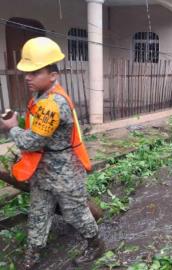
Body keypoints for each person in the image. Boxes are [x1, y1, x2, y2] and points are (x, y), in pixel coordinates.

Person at [0, 37, 104, 269]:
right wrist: (16, 121)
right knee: (38, 214)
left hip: (65, 172)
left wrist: (12, 128)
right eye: (27, 72)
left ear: (53, 75)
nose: (27, 77)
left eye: (35, 72)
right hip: (43, 170)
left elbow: (31, 142)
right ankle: (32, 256)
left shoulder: (53, 104)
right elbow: (35, 126)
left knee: (76, 214)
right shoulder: (41, 97)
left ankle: (95, 244)